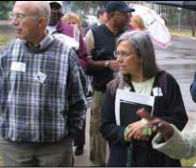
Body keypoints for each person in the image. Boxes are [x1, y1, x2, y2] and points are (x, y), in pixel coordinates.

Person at [0, 1, 87, 166]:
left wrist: (68, 135)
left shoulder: (65, 55)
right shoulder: (9, 52)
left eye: (20, 16)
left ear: (40, 22)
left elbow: (78, 101)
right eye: (13, 15)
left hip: (54, 149)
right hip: (13, 149)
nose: (14, 22)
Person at [100, 31, 188, 166]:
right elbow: (105, 127)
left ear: (142, 56)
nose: (118, 59)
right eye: (117, 53)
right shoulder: (114, 87)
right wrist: (128, 132)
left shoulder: (166, 82)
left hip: (160, 160)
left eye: (124, 54)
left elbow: (179, 119)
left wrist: (150, 127)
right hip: (124, 160)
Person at [84, 1, 134, 166]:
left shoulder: (130, 34)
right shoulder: (94, 33)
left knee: (124, 130)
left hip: (127, 93)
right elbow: (84, 62)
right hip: (101, 91)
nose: (129, 16)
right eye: (124, 13)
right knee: (98, 131)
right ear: (112, 15)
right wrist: (106, 64)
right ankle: (97, 164)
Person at [48, 1, 89, 156]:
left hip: (71, 83)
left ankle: (78, 142)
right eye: (50, 7)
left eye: (56, 7)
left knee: (77, 111)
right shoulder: (36, 29)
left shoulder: (72, 31)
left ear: (61, 10)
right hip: (48, 85)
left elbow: (84, 57)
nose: (53, 11)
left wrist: (73, 66)